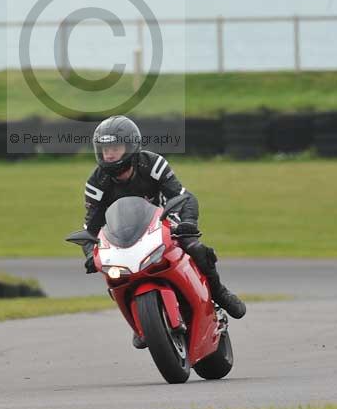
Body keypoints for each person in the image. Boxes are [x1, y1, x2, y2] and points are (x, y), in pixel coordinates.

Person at [82, 115, 246, 348]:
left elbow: (183, 197)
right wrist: (90, 253)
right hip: (123, 237)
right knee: (111, 274)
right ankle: (139, 321)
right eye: (105, 149)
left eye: (115, 148)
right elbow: (90, 227)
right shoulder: (96, 183)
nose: (109, 154)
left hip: (164, 224)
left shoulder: (153, 164)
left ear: (130, 147)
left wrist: (188, 224)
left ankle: (218, 292)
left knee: (196, 248)